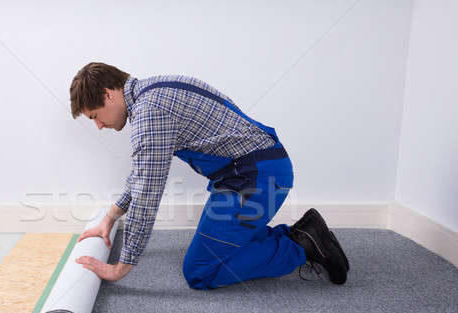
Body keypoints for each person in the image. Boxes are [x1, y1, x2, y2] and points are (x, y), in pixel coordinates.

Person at [70, 62, 350, 290]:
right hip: (244, 176)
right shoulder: (156, 88)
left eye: (95, 115)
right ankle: (306, 232)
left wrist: (122, 266)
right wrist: (110, 218)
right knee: (213, 247)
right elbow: (143, 172)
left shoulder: (149, 112)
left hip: (256, 179)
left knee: (200, 271)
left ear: (108, 94)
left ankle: (302, 246)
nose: (98, 125)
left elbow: (147, 191)